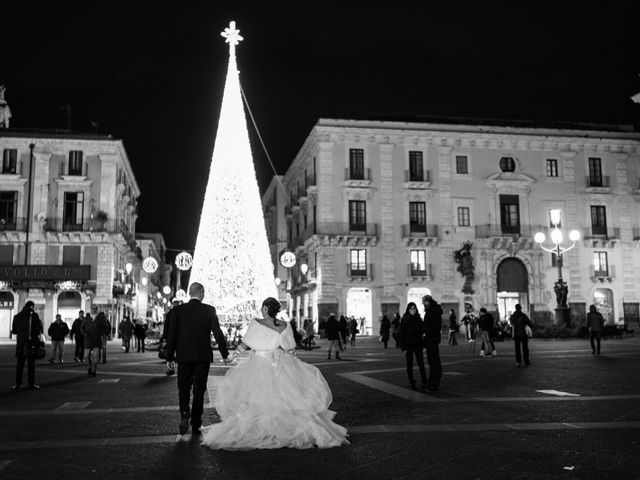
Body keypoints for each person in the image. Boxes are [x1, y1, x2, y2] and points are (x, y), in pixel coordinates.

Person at [201, 297, 349, 449]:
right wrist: (294, 366)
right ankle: (288, 429)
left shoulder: (256, 323)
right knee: (285, 398)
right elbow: (291, 349)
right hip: (281, 363)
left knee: (257, 399)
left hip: (259, 364)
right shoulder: (285, 325)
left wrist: (230, 357)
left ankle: (262, 430)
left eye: (262, 307)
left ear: (265, 308)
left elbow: (245, 344)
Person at [165, 282, 229, 436]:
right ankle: (196, 423)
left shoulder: (177, 311)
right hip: (202, 356)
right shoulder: (209, 310)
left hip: (184, 356)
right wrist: (225, 353)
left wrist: (169, 357)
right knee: (199, 389)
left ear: (189, 293)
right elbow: (217, 333)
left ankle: (184, 412)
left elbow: (172, 336)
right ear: (201, 293)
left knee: (184, 387)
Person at [11, 301, 43, 391]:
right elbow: (38, 329)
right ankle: (31, 384)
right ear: (32, 306)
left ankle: (18, 384)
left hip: (21, 344)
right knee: (31, 365)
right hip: (31, 343)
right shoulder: (34, 316)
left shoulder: (16, 316)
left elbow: (14, 331)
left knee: (19, 365)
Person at [396, 302, 428, 391]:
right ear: (408, 309)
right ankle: (412, 382)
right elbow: (400, 334)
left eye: (414, 308)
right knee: (409, 364)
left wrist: (423, 345)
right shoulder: (405, 319)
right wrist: (403, 348)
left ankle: (424, 381)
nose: (413, 310)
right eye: (411, 308)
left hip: (418, 344)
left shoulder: (419, 319)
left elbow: (423, 333)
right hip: (408, 345)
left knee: (421, 363)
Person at [81, 306, 110, 377]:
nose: (94, 309)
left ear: (97, 309)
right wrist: (84, 333)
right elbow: (82, 327)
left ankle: (94, 370)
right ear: (90, 309)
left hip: (97, 340)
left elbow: (106, 327)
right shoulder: (87, 318)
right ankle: (90, 366)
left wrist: (102, 333)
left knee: (96, 356)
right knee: (86, 356)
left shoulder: (101, 318)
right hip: (88, 340)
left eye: (95, 308)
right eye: (92, 308)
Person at [422, 295, 443, 391]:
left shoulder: (434, 312)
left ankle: (435, 382)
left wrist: (427, 334)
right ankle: (432, 381)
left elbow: (436, 327)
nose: (423, 304)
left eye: (423, 302)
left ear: (427, 302)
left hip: (432, 340)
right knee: (431, 361)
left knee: (434, 362)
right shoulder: (431, 310)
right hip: (430, 339)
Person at [161, 301, 180, 374]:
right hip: (179, 337)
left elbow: (166, 325)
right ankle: (179, 370)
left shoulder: (170, 313)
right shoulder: (182, 313)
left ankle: (171, 370)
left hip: (171, 337)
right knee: (180, 354)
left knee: (170, 355)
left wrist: (165, 336)